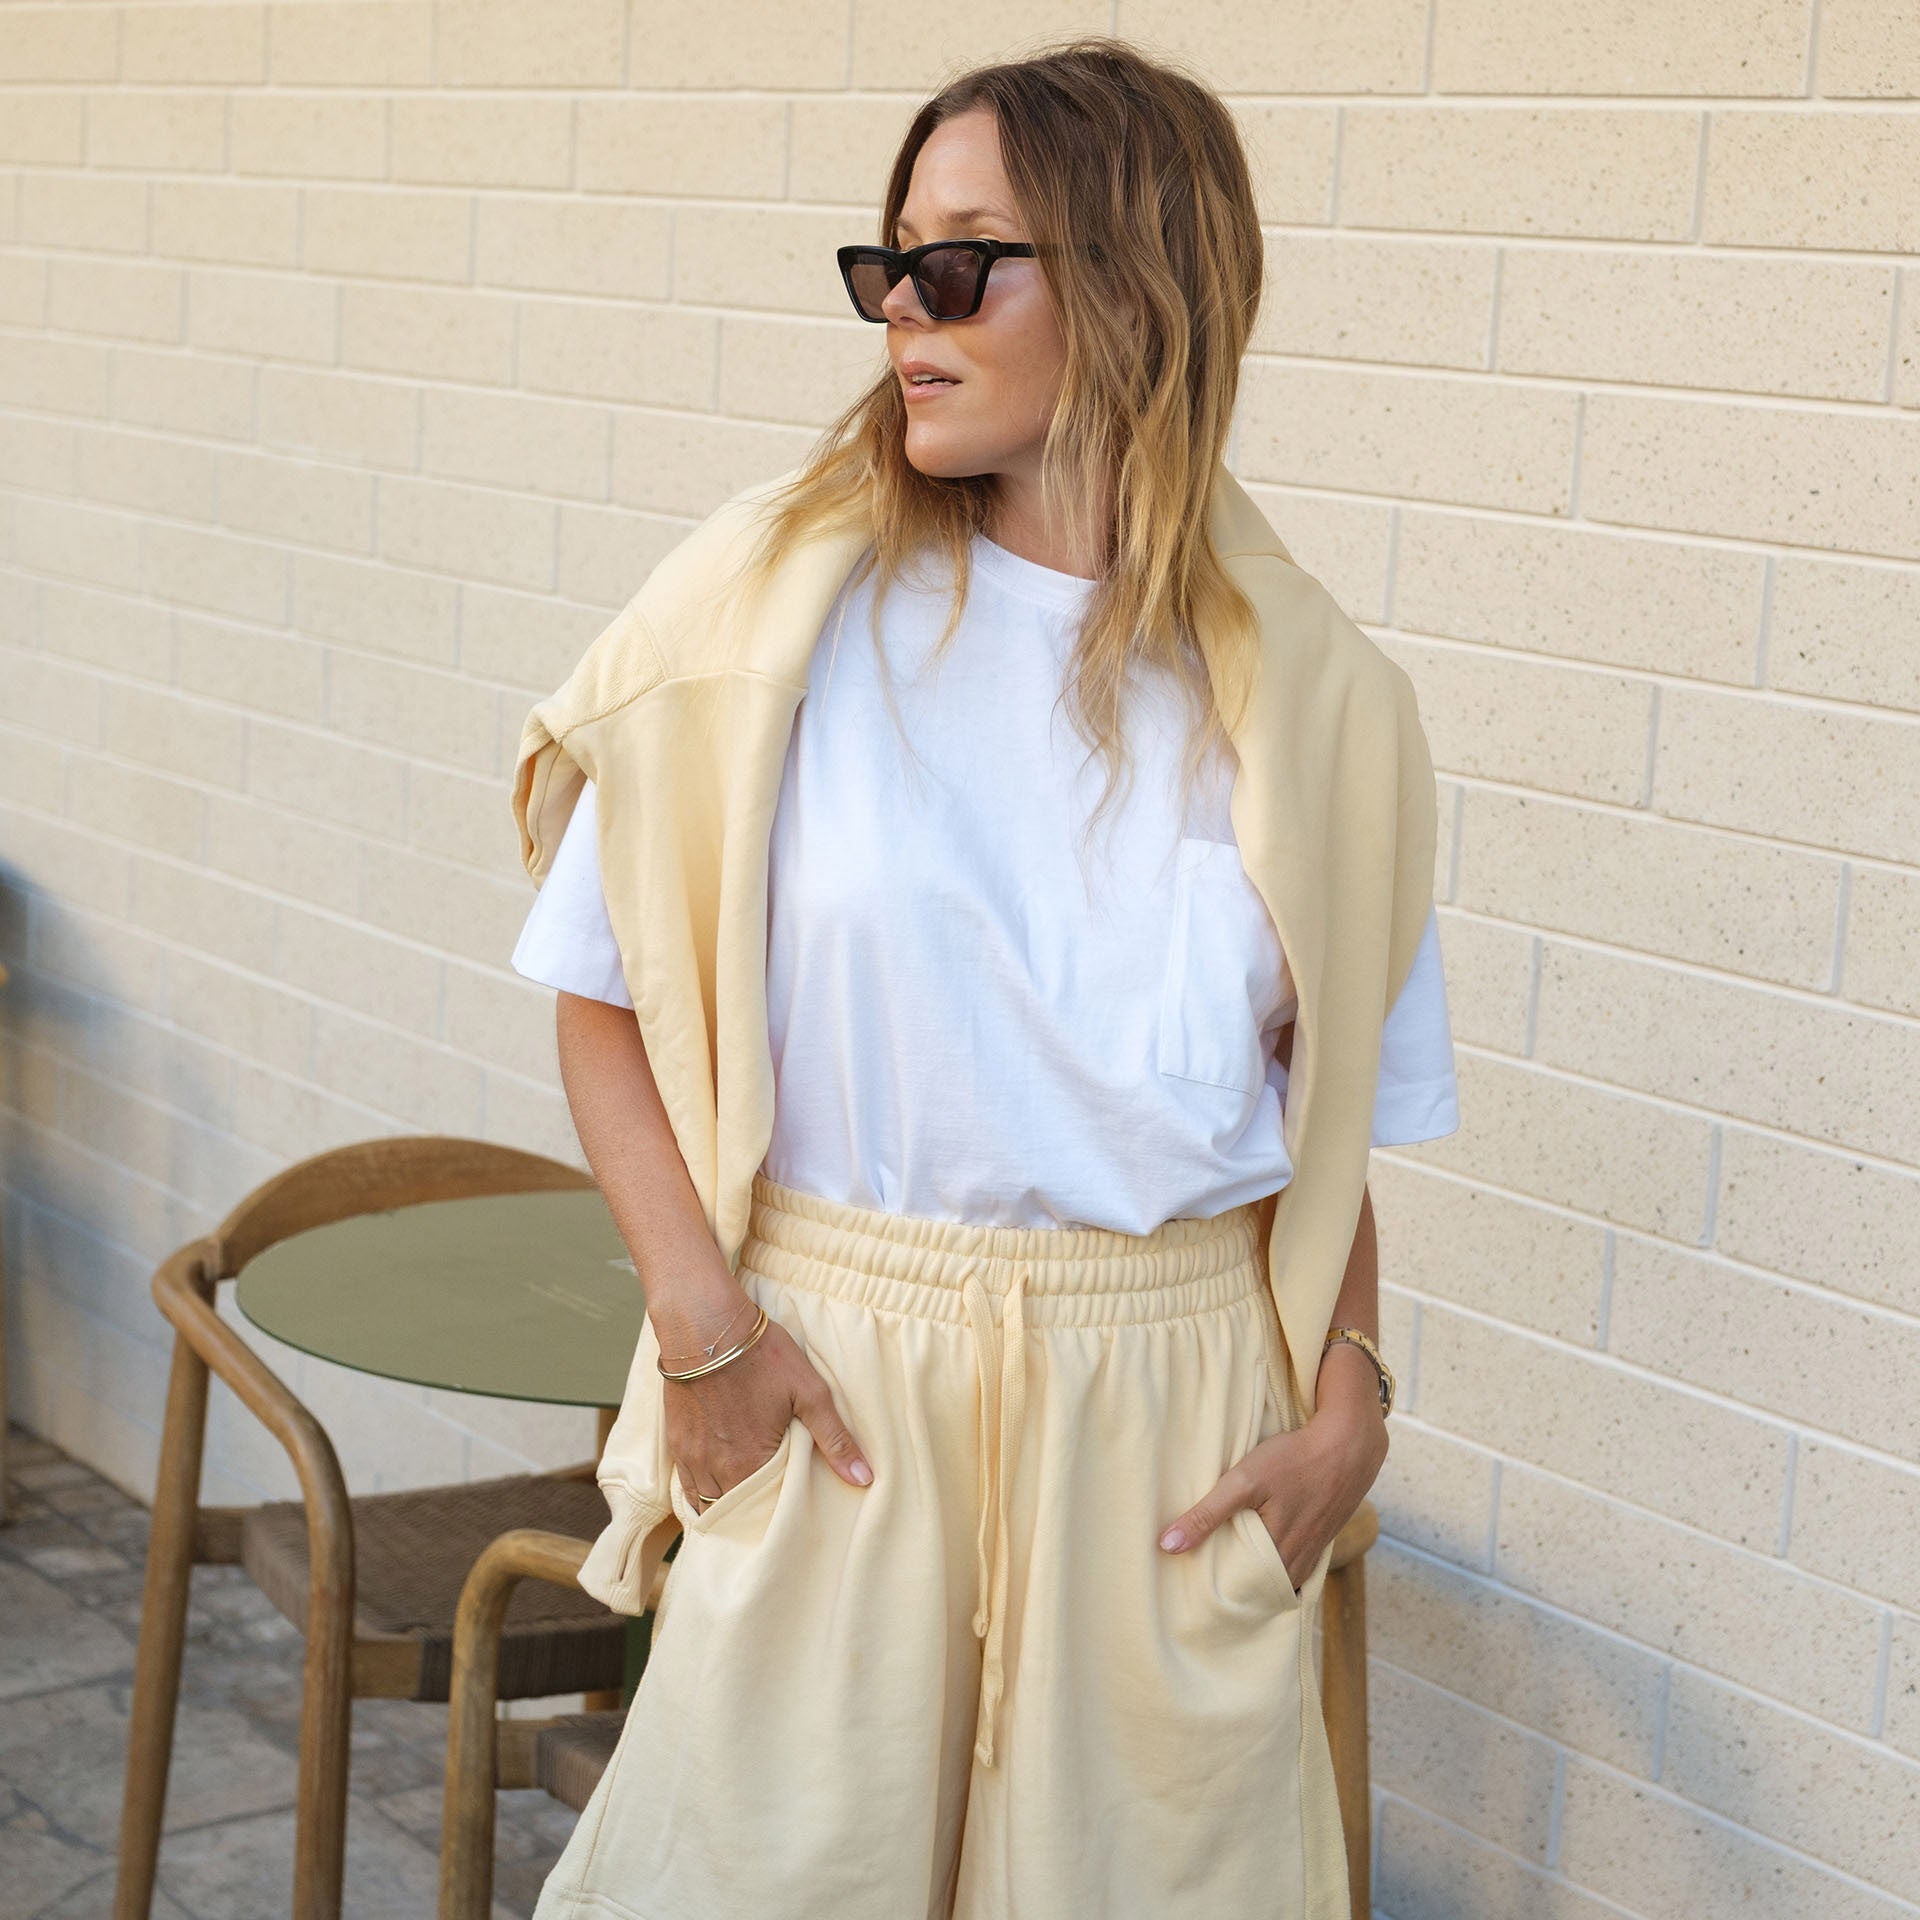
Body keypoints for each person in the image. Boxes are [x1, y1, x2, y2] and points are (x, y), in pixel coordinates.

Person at [508, 36, 1457, 1920]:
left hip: (1175, 1420)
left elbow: (1316, 1119)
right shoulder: (772, 616)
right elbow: (597, 991)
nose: (901, 313)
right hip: (835, 1384)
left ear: (1134, 282)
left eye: (957, 264)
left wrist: (1351, 1396)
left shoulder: (1322, 703)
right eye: (887, 264)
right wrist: (702, 1334)